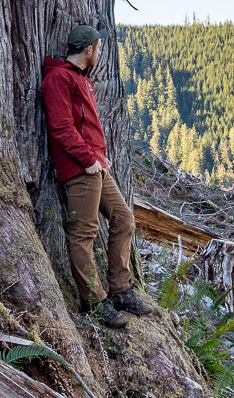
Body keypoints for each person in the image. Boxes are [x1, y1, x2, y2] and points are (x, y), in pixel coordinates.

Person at [40, 24, 151, 327]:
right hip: (80, 169)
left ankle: (120, 289)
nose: (99, 54)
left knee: (124, 218)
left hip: (96, 165)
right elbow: (61, 128)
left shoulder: (80, 79)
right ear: (88, 50)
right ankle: (95, 301)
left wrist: (100, 156)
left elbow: (85, 125)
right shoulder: (58, 78)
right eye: (98, 49)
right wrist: (89, 158)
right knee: (83, 235)